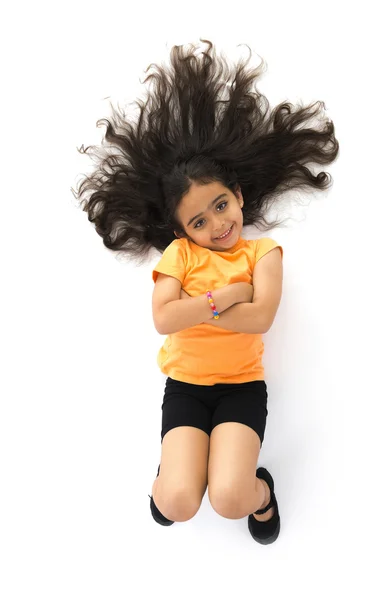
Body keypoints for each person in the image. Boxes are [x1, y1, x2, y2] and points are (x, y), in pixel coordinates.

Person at [72, 39, 339, 544]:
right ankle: (176, 473)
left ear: (238, 196)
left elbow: (259, 319)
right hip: (186, 389)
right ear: (183, 232)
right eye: (199, 220)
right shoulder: (180, 257)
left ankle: (262, 493)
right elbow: (162, 320)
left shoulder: (264, 254)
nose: (217, 224)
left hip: (241, 389)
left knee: (230, 499)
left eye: (221, 205)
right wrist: (228, 296)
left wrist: (194, 308)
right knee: (175, 503)